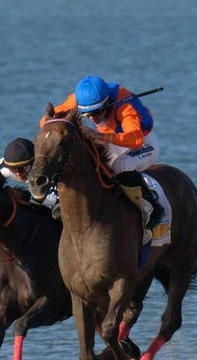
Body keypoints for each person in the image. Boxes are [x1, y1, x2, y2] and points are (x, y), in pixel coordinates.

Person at [54, 75, 163, 238]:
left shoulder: (125, 107)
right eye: (86, 114)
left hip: (142, 142)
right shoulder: (78, 99)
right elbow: (47, 120)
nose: (92, 118)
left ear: (107, 103)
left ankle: (153, 209)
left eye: (97, 112)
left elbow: (135, 139)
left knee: (121, 166)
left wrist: (99, 136)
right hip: (112, 140)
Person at [0, 137, 60, 217]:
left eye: (24, 169)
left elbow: (56, 199)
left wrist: (23, 195)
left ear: (34, 163)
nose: (19, 174)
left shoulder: (45, 171)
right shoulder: (4, 169)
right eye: (13, 170)